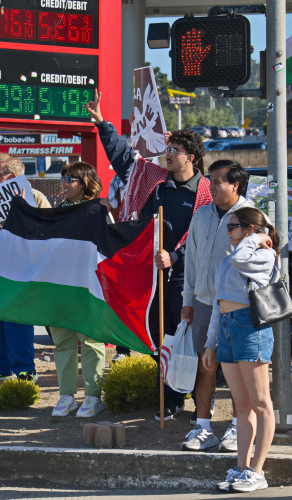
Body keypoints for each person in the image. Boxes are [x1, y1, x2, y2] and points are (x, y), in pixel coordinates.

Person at [85, 90, 212, 421]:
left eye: (175, 151)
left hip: (190, 281)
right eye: (168, 150)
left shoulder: (207, 193)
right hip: (155, 278)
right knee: (161, 339)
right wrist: (102, 124)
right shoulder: (155, 182)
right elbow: (125, 160)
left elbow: (208, 240)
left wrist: (176, 258)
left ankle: (203, 397)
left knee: (196, 341)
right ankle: (170, 396)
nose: (167, 155)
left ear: (192, 158)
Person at [202, 207, 277, 493]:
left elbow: (243, 260)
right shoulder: (229, 258)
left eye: (233, 226)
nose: (227, 230)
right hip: (228, 327)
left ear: (249, 229)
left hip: (250, 327)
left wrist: (259, 238)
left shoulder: (262, 254)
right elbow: (216, 304)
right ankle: (242, 467)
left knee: (261, 403)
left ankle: (257, 471)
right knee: (242, 404)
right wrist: (210, 343)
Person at [180, 160, 251, 453]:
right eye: (210, 179)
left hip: (237, 307)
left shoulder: (251, 217)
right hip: (203, 302)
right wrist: (188, 301)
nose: (211, 184)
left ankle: (237, 425)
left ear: (235, 185)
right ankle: (203, 427)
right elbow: (191, 261)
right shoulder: (200, 215)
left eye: (219, 180)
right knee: (204, 367)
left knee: (236, 369)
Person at [0, 154, 50, 384]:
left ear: (14, 176)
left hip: (22, 270)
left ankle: (25, 370)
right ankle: (1, 367)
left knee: (17, 320)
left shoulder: (35, 198)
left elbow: (46, 233)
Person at [49, 162, 108, 418]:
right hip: (59, 285)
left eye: (70, 179)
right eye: (64, 178)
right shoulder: (57, 211)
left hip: (86, 286)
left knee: (91, 340)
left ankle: (94, 396)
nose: (64, 183)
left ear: (85, 183)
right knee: (62, 342)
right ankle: (66, 395)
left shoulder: (97, 211)